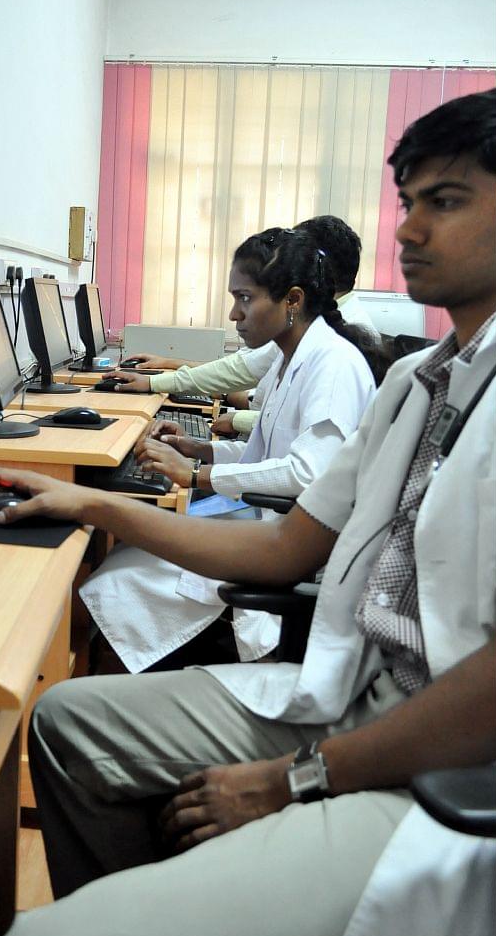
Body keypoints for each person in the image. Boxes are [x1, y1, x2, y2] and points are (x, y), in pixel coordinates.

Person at [0, 87, 496, 936]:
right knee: (67, 727)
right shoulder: (420, 381)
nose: (409, 228)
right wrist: (91, 506)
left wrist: (293, 782)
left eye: (444, 201)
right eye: (407, 201)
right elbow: (291, 547)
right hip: (355, 695)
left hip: (447, 770)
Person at [79, 226, 377, 671]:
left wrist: (196, 475)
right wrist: (199, 449)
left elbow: (306, 475)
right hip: (264, 527)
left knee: (118, 576)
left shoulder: (332, 365)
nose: (235, 314)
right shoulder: (291, 357)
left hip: (287, 551)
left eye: (245, 298)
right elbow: (265, 457)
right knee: (126, 553)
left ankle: (84, 686)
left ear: (292, 301)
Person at [114, 214, 384, 440]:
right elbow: (245, 369)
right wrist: (201, 450)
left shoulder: (333, 347)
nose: (234, 315)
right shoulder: (310, 329)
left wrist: (201, 469)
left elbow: (300, 464)